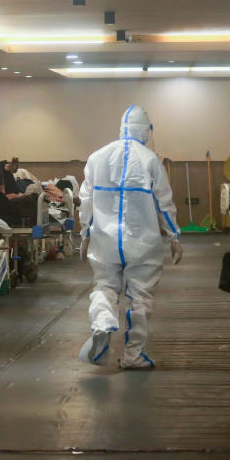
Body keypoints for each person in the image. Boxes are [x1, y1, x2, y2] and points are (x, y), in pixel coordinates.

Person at [77, 105, 183, 369]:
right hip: (141, 242)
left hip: (105, 239)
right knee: (140, 297)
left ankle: (102, 324)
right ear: (145, 131)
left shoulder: (96, 157)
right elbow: (164, 202)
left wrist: (84, 233)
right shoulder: (150, 160)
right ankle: (134, 355)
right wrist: (174, 236)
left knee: (104, 287)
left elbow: (86, 202)